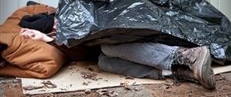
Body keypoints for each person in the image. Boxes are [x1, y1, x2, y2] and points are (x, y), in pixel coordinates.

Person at [18, 12, 216, 89]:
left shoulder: (70, 17)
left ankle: (186, 55)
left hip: (129, 39)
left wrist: (53, 34)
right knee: (103, 61)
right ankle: (178, 71)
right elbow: (83, 55)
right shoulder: (56, 38)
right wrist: (49, 39)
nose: (56, 29)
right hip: (111, 50)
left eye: (54, 26)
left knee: (107, 48)